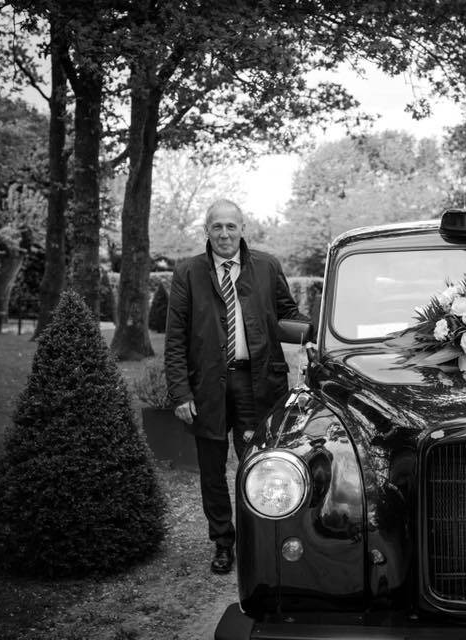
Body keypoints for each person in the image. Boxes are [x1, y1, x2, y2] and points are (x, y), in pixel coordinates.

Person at [164, 199, 306, 574]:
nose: (224, 234)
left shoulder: (267, 266)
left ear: (243, 228)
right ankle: (223, 543)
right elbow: (176, 337)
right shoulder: (188, 273)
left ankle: (260, 540)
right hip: (207, 385)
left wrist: (321, 330)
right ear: (206, 231)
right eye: (217, 227)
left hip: (258, 383)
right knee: (212, 471)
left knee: (261, 464)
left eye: (231, 226)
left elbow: (289, 316)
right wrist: (180, 392)